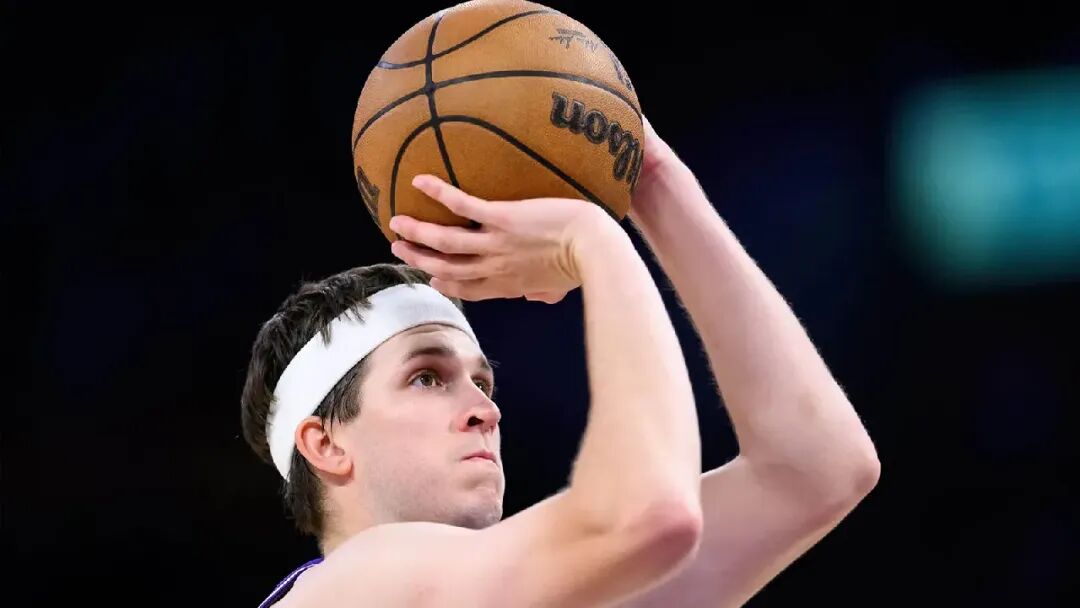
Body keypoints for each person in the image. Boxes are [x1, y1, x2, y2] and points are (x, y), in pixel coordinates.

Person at [240, 117, 881, 608]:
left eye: (483, 381)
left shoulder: (505, 589)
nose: (485, 409)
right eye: (427, 377)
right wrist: (595, 240)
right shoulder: (353, 586)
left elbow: (816, 471)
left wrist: (653, 179)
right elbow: (650, 516)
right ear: (325, 443)